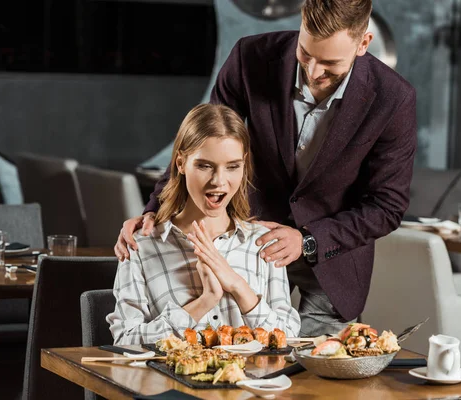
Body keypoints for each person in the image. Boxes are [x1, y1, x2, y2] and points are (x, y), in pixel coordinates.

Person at [115, 0, 416, 336]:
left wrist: (308, 240)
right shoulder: (251, 58)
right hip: (247, 248)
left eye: (330, 65)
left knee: (316, 381)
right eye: (305, 54)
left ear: (363, 44)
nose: (313, 73)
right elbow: (201, 141)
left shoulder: (393, 98)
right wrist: (154, 211)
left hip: (332, 262)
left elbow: (387, 206)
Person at [107, 104, 301, 345]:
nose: (219, 181)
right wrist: (205, 301)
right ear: (180, 163)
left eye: (232, 166)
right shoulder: (141, 246)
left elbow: (289, 338)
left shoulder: (263, 244)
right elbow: (125, 340)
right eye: (204, 165)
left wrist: (239, 287)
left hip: (252, 383)